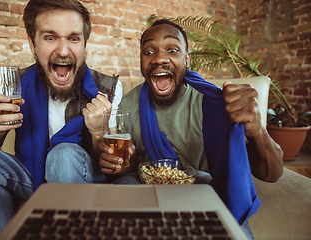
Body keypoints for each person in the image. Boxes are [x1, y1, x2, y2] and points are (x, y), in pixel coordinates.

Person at [97, 19, 284, 239]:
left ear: (186, 59)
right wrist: (121, 164)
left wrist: (257, 130)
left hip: (201, 189)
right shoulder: (127, 105)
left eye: (172, 49)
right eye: (149, 51)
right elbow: (129, 164)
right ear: (141, 61)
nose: (159, 58)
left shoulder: (215, 103)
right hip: (145, 188)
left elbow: (272, 174)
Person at [0, 0, 123, 239]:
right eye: (50, 38)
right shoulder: (16, 84)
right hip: (30, 172)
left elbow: (111, 161)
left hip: (80, 171)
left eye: (73, 39)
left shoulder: (108, 88)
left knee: (63, 154)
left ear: (84, 45)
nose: (63, 51)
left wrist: (97, 134)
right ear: (32, 44)